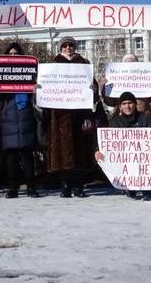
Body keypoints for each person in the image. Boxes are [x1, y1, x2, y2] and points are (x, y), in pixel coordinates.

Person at [44, 36, 101, 198]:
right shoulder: (53, 65)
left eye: (71, 45)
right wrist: (40, 90)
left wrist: (93, 89)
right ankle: (65, 186)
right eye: (65, 45)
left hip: (80, 114)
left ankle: (78, 186)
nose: (68, 48)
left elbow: (94, 90)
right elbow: (46, 89)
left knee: (79, 151)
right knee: (61, 153)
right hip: (60, 116)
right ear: (60, 48)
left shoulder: (84, 64)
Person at [0, 42, 39, 198]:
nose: (13, 57)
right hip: (10, 118)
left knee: (28, 155)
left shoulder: (29, 73)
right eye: (10, 54)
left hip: (25, 115)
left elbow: (38, 97)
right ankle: (12, 188)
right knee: (11, 156)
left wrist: (36, 89)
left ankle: (31, 187)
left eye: (16, 54)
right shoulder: (2, 75)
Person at [95, 91, 151, 200]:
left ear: (135, 104)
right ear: (120, 107)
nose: (127, 106)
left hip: (144, 158)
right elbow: (107, 141)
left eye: (130, 103)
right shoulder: (115, 122)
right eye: (124, 104)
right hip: (126, 161)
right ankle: (129, 186)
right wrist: (98, 151)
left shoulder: (145, 118)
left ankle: (148, 188)